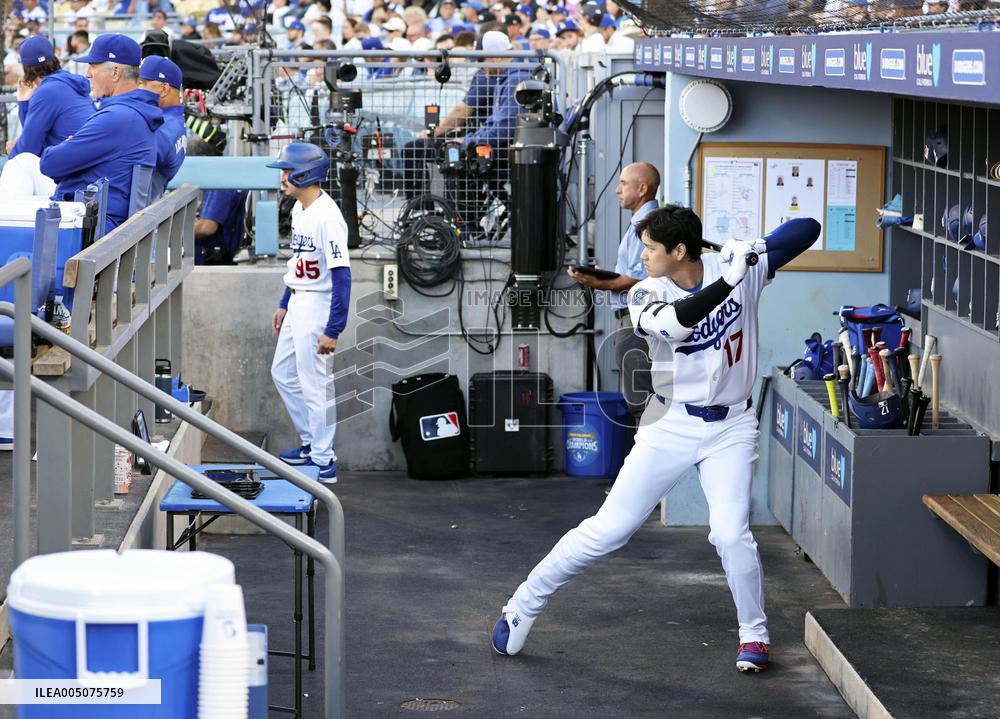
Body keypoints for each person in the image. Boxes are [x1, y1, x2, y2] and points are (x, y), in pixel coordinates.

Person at [491, 209, 822, 673]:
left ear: (680, 251)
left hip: (732, 426)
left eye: (650, 248)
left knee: (730, 533)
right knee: (610, 529)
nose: (643, 256)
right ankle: (522, 604)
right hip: (669, 422)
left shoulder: (738, 267)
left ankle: (755, 635)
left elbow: (808, 229)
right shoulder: (648, 291)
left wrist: (755, 248)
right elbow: (676, 325)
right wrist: (729, 280)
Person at [269, 142, 352, 483]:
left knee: (315, 385)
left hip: (319, 304)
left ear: (306, 173)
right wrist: (284, 302)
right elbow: (299, 263)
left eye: (288, 172)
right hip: (300, 299)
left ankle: (323, 459)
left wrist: (333, 329)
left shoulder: (328, 216)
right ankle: (310, 444)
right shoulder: (299, 209)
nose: (283, 178)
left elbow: (342, 276)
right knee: (283, 373)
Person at [39, 34, 163, 233]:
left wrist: (66, 147)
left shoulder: (118, 117)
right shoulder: (132, 111)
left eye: (93, 66)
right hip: (100, 220)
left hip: (94, 229)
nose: (88, 74)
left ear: (115, 72)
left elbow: (49, 164)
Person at [567, 162, 660, 423]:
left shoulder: (646, 224)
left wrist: (594, 282)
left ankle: (646, 462)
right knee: (641, 398)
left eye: (623, 184)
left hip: (635, 320)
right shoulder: (642, 222)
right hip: (634, 318)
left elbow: (635, 280)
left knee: (641, 402)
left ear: (642, 189)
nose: (617, 190)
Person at [6, 35, 94, 159]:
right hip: (85, 162)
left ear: (26, 69)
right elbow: (33, 139)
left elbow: (28, 151)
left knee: (11, 162)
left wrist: (12, 152)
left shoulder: (47, 91)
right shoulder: (65, 81)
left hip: (77, 170)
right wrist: (25, 101)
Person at [139, 56, 187, 199]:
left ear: (164, 89)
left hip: (139, 214)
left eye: (141, 83)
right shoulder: (171, 120)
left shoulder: (166, 126)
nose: (135, 89)